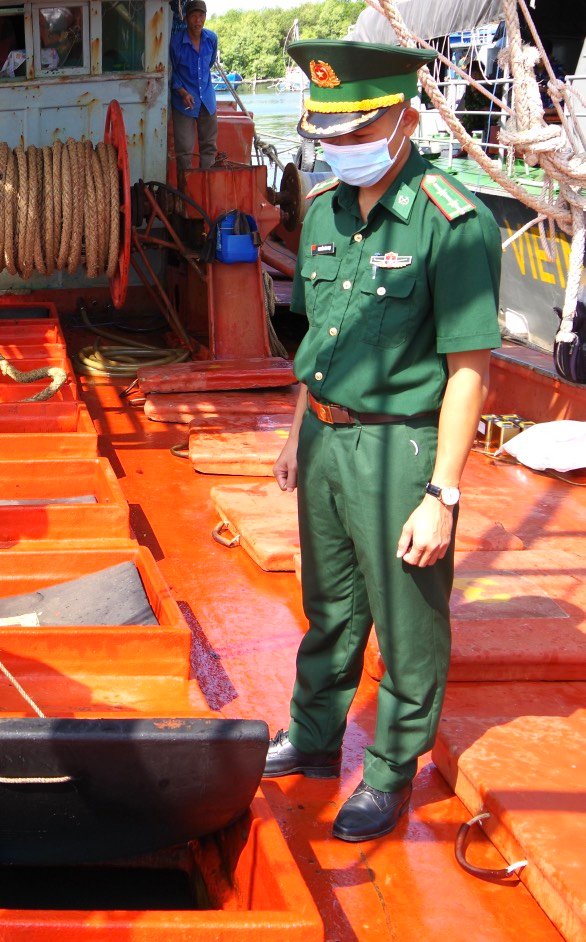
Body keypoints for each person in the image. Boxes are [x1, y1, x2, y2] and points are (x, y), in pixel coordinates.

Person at [266, 41, 502, 842]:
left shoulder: (451, 220)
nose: (340, 146)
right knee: (328, 605)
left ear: (405, 116)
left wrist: (443, 493)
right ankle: (316, 734)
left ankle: (395, 768)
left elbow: (469, 370)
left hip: (402, 447)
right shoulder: (325, 210)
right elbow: (319, 339)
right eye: (328, 134)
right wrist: (301, 431)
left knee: (407, 619)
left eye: (355, 129)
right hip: (328, 440)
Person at [169, 0, 219, 187]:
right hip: (184, 103)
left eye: (201, 16)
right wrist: (182, 92)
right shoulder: (176, 43)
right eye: (194, 16)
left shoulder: (211, 39)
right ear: (186, 18)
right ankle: (185, 194)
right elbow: (171, 72)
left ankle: (206, 189)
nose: (198, 21)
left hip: (207, 99)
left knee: (209, 147)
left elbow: (209, 64)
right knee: (184, 152)